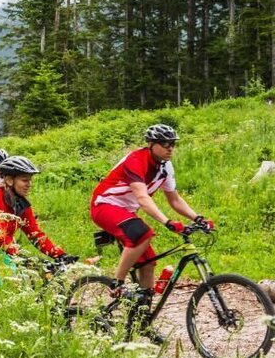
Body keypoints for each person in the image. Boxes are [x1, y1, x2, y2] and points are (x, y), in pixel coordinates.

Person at [90, 124, 214, 342]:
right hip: (105, 205)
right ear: (152, 145)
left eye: (173, 144)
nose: (170, 148)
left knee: (148, 264)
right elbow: (143, 198)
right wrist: (167, 222)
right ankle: (117, 283)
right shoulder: (135, 160)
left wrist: (197, 218)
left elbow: (174, 200)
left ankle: (142, 322)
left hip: (126, 210)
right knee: (143, 234)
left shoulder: (166, 167)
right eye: (166, 144)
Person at [0, 156, 77, 295]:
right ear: (10, 180)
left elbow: (35, 234)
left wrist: (59, 254)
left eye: (30, 180)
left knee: (22, 284)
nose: (29, 184)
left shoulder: (21, 203)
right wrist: (22, 256)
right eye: (24, 180)